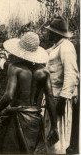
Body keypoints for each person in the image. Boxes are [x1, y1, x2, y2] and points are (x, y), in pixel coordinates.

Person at [0, 32, 59, 154]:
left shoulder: (15, 68)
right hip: (35, 118)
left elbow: (8, 96)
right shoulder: (44, 72)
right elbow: (50, 98)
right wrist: (54, 127)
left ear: (20, 50)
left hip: (17, 117)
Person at [44, 16, 79, 154]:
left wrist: (63, 100)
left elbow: (71, 74)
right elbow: (44, 54)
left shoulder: (66, 47)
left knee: (57, 143)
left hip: (59, 99)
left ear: (56, 33)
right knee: (50, 138)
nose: (48, 33)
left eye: (50, 31)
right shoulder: (57, 46)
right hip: (52, 98)